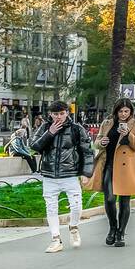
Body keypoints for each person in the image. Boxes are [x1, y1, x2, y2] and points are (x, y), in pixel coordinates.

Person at [31, 100, 92, 254]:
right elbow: (35, 147)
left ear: (67, 113)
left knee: (77, 205)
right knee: (51, 207)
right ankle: (56, 239)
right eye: (55, 114)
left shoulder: (76, 129)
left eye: (61, 113)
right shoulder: (45, 127)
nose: (58, 117)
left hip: (70, 174)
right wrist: (49, 133)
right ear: (50, 114)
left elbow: (87, 151)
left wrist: (86, 173)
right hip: (49, 174)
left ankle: (73, 227)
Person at [87, 98, 135, 247]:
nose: (123, 114)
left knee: (124, 201)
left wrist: (128, 135)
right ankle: (112, 228)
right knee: (110, 199)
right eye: (121, 111)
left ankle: (121, 233)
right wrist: (101, 142)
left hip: (126, 168)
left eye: (126, 111)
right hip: (109, 165)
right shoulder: (107, 123)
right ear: (116, 111)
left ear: (131, 111)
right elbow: (97, 142)